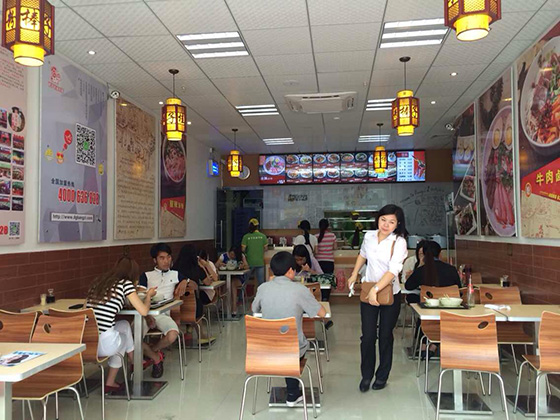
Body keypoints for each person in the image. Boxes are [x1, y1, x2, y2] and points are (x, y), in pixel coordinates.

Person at [252, 252, 327, 407]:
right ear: (291, 270)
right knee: (295, 343)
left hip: (266, 349)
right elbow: (322, 313)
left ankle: (292, 392)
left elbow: (254, 309)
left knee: (285, 341)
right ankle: (292, 393)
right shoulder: (299, 290)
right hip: (292, 351)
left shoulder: (263, 288)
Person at [347, 204, 408, 393]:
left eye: (391, 222)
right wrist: (354, 274)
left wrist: (376, 289)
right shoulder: (369, 236)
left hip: (390, 294)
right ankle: (366, 375)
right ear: (378, 219)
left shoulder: (399, 242)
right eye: (383, 220)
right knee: (367, 336)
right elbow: (362, 255)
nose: (386, 225)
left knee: (385, 336)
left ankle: (382, 376)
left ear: (398, 224)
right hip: (368, 292)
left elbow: (393, 270)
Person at [86, 256, 159, 392]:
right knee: (123, 339)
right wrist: (149, 296)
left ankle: (134, 361)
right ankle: (130, 367)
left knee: (124, 325)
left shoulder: (98, 283)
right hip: (104, 345)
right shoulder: (126, 284)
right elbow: (143, 311)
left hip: (87, 342)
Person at [138, 243, 189, 378]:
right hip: (145, 314)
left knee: (173, 334)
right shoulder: (146, 276)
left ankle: (152, 351)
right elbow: (140, 296)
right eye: (162, 258)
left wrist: (185, 281)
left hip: (163, 314)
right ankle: (156, 358)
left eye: (168, 257)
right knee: (133, 338)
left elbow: (193, 283)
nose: (166, 261)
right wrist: (147, 316)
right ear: (154, 260)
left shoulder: (175, 274)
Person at [174, 244, 217, 339]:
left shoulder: (174, 269)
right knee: (197, 303)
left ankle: (187, 332)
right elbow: (208, 282)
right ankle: (201, 335)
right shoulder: (196, 269)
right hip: (193, 306)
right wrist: (203, 266)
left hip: (176, 307)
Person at [215, 245, 249, 316]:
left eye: (234, 255)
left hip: (239, 278)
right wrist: (220, 264)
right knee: (225, 284)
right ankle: (224, 308)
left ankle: (234, 308)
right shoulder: (223, 256)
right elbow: (216, 265)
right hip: (226, 277)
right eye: (231, 254)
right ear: (229, 252)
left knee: (233, 284)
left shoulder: (241, 256)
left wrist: (243, 266)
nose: (232, 256)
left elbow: (247, 266)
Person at [241, 218, 268, 288]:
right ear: (257, 226)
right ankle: (261, 295)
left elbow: (243, 249)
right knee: (261, 284)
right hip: (260, 262)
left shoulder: (246, 237)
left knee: (244, 282)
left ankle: (242, 294)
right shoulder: (263, 236)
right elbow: (266, 249)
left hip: (249, 263)